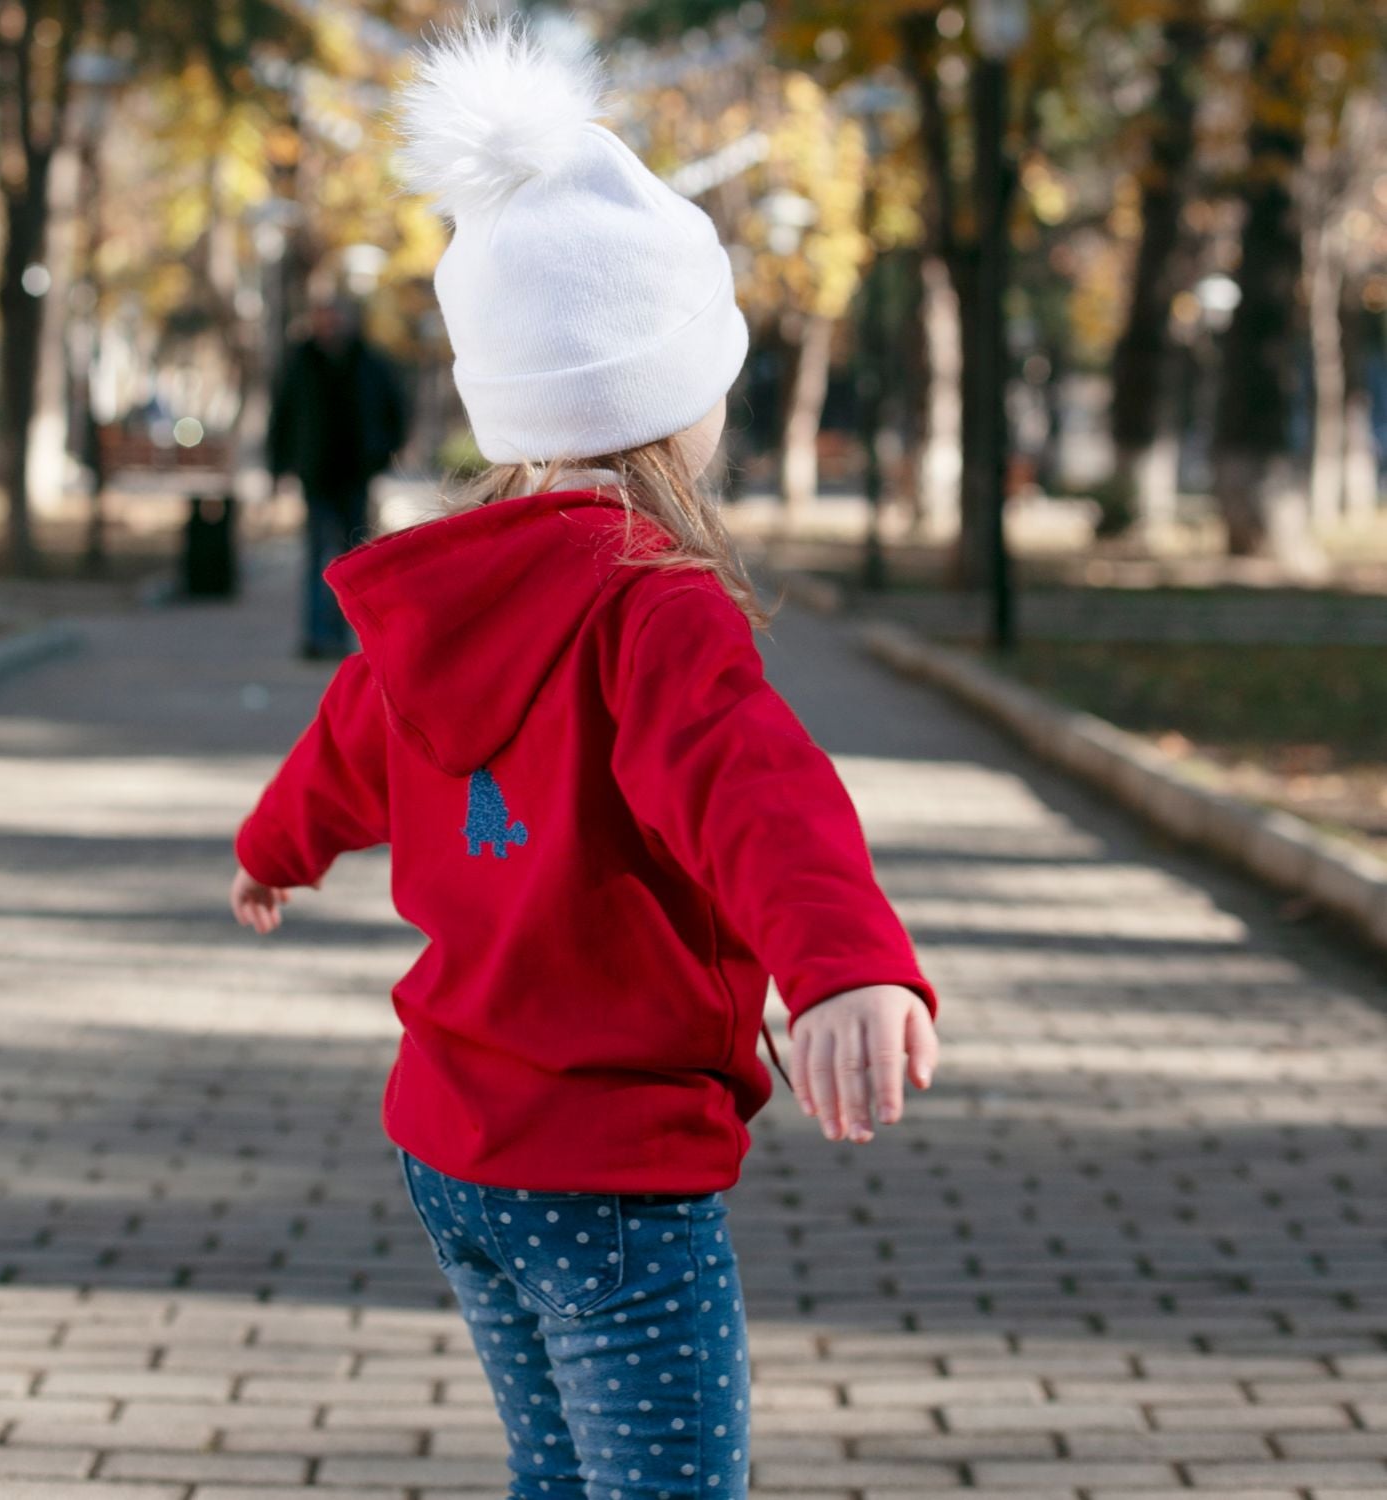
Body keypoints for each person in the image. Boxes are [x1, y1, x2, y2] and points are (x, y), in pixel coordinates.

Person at [229, 20, 939, 1500]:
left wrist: (274, 847)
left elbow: (342, 752)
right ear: (686, 389)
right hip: (610, 1163)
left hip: (454, 1146)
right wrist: (846, 962)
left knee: (560, 1474)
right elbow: (759, 793)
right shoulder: (656, 605)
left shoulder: (435, 601)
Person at [266, 294, 410, 659]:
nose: (328, 325)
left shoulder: (369, 362)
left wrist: (382, 455)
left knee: (353, 559)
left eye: (334, 317)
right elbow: (283, 416)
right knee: (317, 556)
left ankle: (353, 638)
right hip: (317, 475)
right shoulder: (301, 362)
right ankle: (317, 636)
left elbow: (396, 410)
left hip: (355, 473)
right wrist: (280, 467)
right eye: (322, 318)